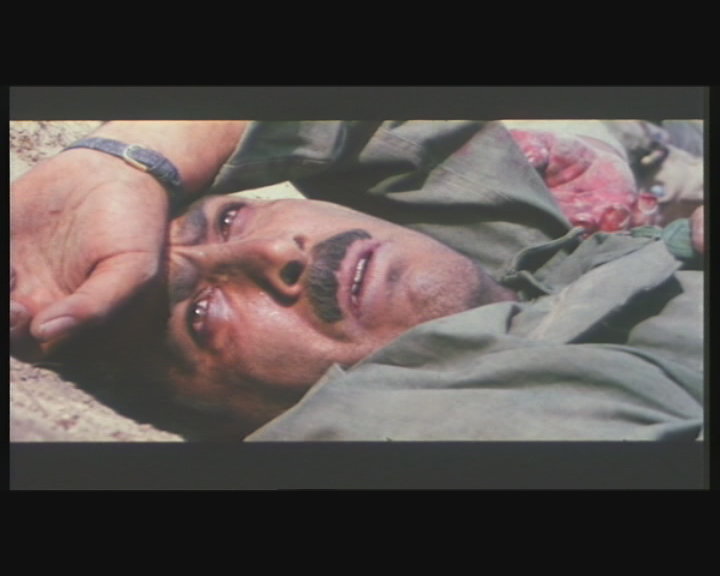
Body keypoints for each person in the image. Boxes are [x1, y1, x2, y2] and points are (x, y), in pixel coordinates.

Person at [10, 120, 704, 441]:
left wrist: (126, 163)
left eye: (228, 220)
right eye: (201, 315)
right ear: (210, 420)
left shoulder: (503, 259)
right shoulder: (396, 419)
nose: (277, 250)